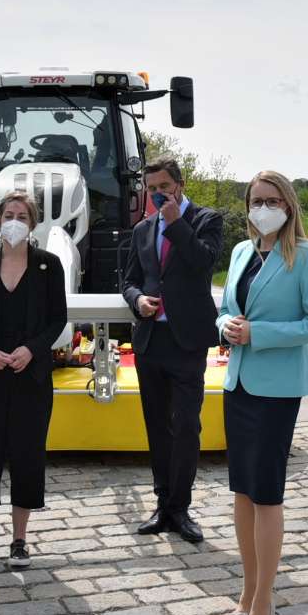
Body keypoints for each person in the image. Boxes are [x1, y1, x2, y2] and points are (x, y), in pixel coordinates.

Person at [217, 171, 308, 615]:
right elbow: (224, 306)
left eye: (271, 199)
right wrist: (226, 322)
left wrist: (258, 335)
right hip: (238, 383)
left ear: (287, 205)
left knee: (266, 493)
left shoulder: (307, 255)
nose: (262, 207)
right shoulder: (242, 252)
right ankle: (247, 591)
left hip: (277, 388)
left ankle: (264, 602)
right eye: (256, 200)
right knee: (241, 491)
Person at [121, 156, 223, 543]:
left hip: (188, 342)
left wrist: (175, 223)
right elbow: (129, 279)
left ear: (179, 184)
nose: (157, 194)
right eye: (151, 189)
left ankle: (181, 508)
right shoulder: (142, 228)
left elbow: (203, 262)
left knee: (186, 425)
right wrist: (137, 301)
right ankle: (162, 505)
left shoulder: (205, 219)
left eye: (163, 186)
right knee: (157, 427)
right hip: (151, 341)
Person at [0, 191, 66, 569]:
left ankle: (20, 539)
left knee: (27, 455)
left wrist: (33, 350)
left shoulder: (49, 266)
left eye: (22, 215)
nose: (15, 220)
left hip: (31, 377)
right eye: (9, 214)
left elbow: (57, 319)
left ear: (33, 222)